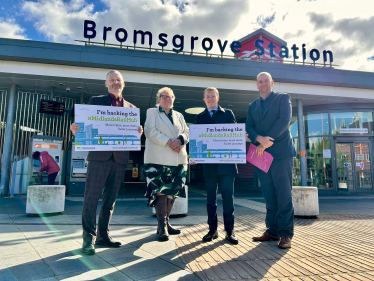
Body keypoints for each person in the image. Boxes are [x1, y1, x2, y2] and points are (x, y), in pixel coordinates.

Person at [70, 70, 143, 255]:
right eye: (112, 80)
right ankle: (88, 240)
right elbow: (83, 125)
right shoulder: (95, 101)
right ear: (106, 83)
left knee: (110, 200)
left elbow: (132, 133)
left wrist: (138, 132)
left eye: (118, 80)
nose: (115, 82)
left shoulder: (132, 109)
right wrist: (75, 129)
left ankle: (103, 235)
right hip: (98, 158)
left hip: (119, 160)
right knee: (91, 199)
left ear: (123, 83)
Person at [246, 72, 296, 249]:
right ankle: (272, 230)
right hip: (261, 155)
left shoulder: (283, 98)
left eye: (266, 81)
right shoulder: (253, 105)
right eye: (260, 81)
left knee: (283, 194)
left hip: (281, 154)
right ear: (257, 85)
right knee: (268, 194)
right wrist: (259, 139)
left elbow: (284, 120)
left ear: (272, 82)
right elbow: (249, 127)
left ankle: (286, 234)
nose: (263, 84)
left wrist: (267, 140)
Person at [143, 87, 189, 241]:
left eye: (169, 97)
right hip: (158, 159)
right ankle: (162, 225)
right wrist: (170, 142)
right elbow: (150, 131)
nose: (167, 99)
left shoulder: (179, 115)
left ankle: (166, 223)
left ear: (173, 99)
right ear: (159, 99)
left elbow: (186, 131)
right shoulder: (152, 112)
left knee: (171, 192)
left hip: (178, 159)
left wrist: (180, 140)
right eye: (163, 97)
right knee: (160, 191)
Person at [194, 87, 239, 245]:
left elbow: (234, 135)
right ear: (204, 99)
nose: (211, 99)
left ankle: (230, 231)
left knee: (228, 199)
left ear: (218, 98)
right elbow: (198, 140)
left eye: (213, 96)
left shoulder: (228, 114)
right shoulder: (200, 117)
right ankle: (212, 230)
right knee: (210, 200)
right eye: (208, 97)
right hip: (210, 165)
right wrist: (195, 155)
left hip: (227, 165)